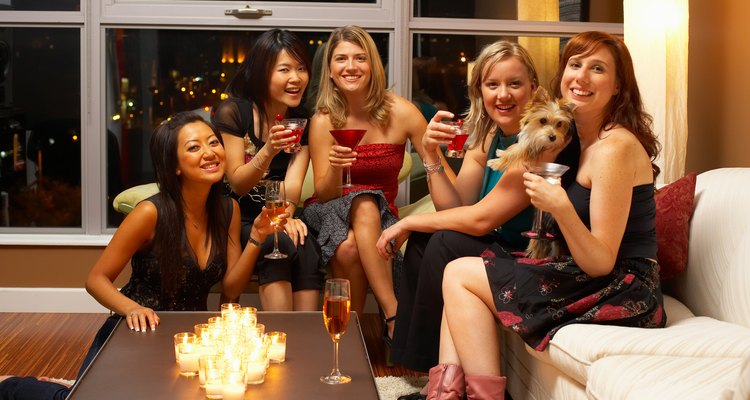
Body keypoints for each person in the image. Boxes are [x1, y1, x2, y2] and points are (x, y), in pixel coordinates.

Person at [431, 31, 666, 399]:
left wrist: (559, 205)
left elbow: (602, 261)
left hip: (624, 289)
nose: (582, 77)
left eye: (598, 68)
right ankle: (444, 395)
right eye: (575, 64)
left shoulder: (614, 147)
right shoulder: (577, 138)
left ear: (618, 85)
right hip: (584, 273)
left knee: (460, 272)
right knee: (463, 273)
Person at [0, 112, 286, 399]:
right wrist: (131, 309)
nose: (210, 152)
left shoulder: (228, 210)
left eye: (213, 142)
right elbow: (96, 279)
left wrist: (257, 237)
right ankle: (14, 384)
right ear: (173, 165)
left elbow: (232, 288)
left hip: (187, 341)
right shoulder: (150, 213)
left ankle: (75, 383)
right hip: (136, 331)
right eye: (194, 147)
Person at [375, 40, 579, 399]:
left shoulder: (542, 141)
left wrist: (405, 223)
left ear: (533, 88)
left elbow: (479, 220)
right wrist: (429, 152)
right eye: (492, 85)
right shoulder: (488, 136)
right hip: (502, 242)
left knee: (441, 240)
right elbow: (454, 205)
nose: (503, 94)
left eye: (514, 84)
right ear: (479, 91)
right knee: (430, 240)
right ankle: (440, 382)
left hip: (531, 252)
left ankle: (437, 383)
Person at [301, 25, 447, 343]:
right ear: (329, 69)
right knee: (363, 201)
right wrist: (338, 169)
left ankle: (347, 338)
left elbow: (440, 170)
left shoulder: (403, 112)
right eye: (341, 59)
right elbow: (323, 193)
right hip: (326, 210)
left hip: (381, 215)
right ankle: (394, 315)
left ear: (373, 66)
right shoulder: (323, 120)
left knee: (352, 243)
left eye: (359, 58)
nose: (350, 66)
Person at [211, 29, 324, 311]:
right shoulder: (234, 112)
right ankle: (281, 336)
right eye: (284, 69)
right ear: (262, 73)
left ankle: (305, 339)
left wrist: (284, 217)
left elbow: (293, 188)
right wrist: (269, 149)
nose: (296, 78)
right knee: (281, 245)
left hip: (276, 215)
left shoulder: (301, 121)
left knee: (308, 248)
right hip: (237, 216)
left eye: (301, 69)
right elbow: (238, 183)